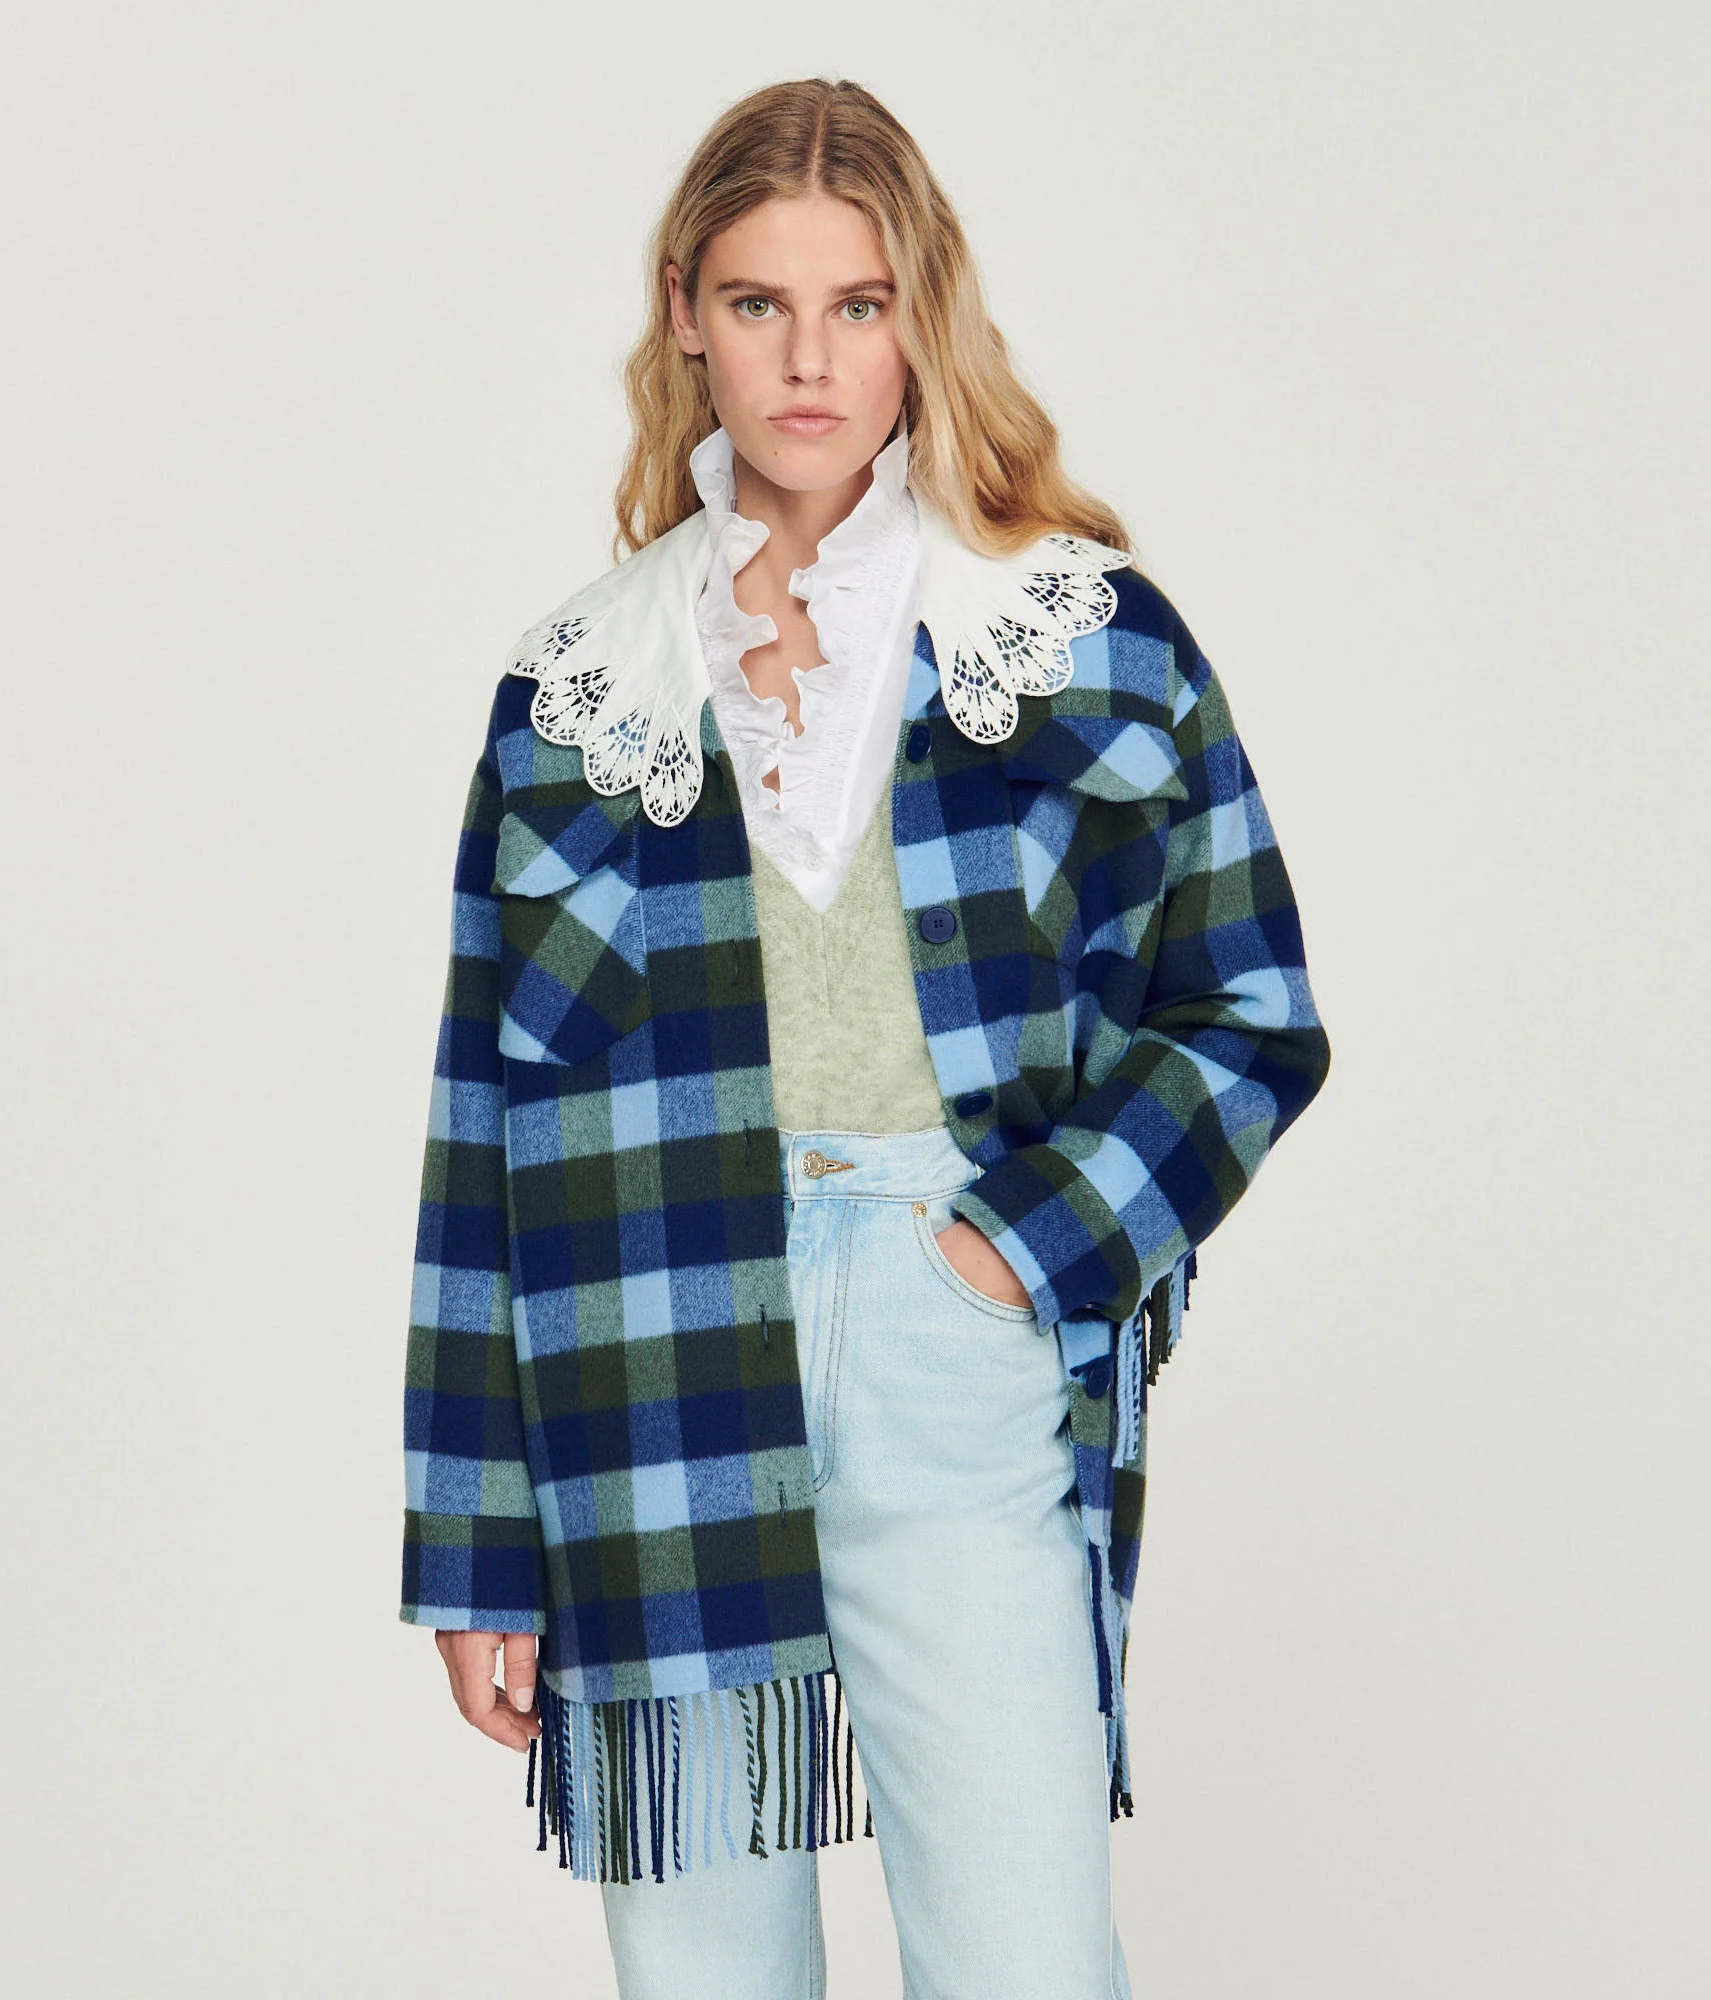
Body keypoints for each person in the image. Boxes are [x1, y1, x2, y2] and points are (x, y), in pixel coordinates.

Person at [399, 75, 1331, 2000]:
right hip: (648, 1356)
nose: (809, 361)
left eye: (858, 304)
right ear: (685, 311)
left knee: (1024, 1961)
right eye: (760, 303)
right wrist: (476, 1544)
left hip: (947, 1335)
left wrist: (1024, 1250)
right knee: (703, 1975)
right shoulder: (579, 689)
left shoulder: (1075, 642)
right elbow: (485, 1128)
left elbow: (1250, 1012)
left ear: (924, 317)